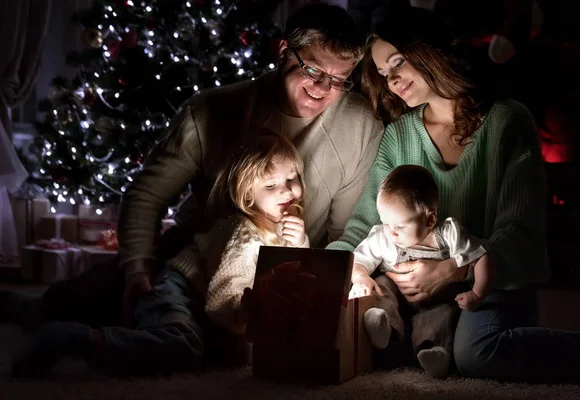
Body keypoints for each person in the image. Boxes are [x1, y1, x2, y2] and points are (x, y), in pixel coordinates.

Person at [1, 1, 383, 366]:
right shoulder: (212, 111)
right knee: (81, 300)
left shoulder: (359, 124)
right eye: (314, 71)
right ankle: (28, 308)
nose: (322, 88)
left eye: (338, 80)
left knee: (203, 346)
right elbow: (147, 193)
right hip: (189, 262)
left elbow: (345, 229)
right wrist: (138, 268)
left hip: (265, 275)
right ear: (284, 51)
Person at [328, 7, 580, 381]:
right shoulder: (399, 135)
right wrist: (323, 272)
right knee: (364, 337)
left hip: (492, 286)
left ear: (429, 50)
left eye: (398, 63)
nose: (392, 80)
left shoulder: (507, 121)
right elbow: (363, 225)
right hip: (419, 298)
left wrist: (450, 270)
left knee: (476, 355)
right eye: (384, 74)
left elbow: (520, 233)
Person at [11, 133, 310, 377]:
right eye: (271, 185)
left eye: (292, 178)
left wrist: (299, 243)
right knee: (183, 346)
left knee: (232, 352)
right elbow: (226, 291)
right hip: (175, 289)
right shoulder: (243, 234)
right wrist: (243, 314)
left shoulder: (281, 223)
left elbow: (288, 268)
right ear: (248, 196)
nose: (287, 191)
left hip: (204, 303)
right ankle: (75, 339)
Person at [349, 164, 491, 378]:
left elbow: (481, 256)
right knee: (382, 285)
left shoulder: (449, 234)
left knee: (442, 313)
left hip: (436, 300)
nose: (391, 232)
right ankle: (383, 325)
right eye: (385, 223)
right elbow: (357, 260)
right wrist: (360, 277)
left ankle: (434, 352)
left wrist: (478, 293)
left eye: (399, 226)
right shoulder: (383, 237)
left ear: (430, 219)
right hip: (399, 301)